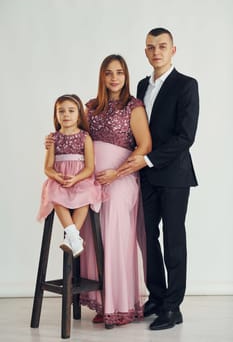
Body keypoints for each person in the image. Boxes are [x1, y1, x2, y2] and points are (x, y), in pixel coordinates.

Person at [118, 28, 199, 330]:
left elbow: (185, 137)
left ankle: (173, 307)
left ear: (173, 50)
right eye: (151, 47)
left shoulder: (187, 85)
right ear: (145, 52)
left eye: (162, 46)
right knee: (147, 238)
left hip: (174, 175)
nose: (156, 52)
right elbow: (137, 130)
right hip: (145, 176)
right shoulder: (141, 85)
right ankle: (156, 296)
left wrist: (149, 159)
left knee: (174, 239)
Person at [79, 54, 152, 329]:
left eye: (119, 72)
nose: (114, 77)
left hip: (122, 179)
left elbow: (144, 146)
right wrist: (56, 139)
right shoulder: (91, 107)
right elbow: (80, 139)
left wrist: (116, 173)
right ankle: (102, 299)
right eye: (108, 72)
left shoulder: (134, 106)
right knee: (93, 235)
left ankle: (120, 306)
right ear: (102, 76)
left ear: (126, 75)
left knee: (114, 235)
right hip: (94, 180)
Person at [37, 94, 102, 257]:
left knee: (86, 195)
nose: (66, 115)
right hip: (60, 180)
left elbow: (89, 167)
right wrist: (57, 177)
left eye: (71, 111)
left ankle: (71, 237)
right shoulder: (54, 138)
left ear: (79, 115)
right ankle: (74, 236)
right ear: (56, 115)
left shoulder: (85, 137)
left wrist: (76, 178)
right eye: (61, 111)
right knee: (53, 193)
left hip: (80, 179)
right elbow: (48, 168)